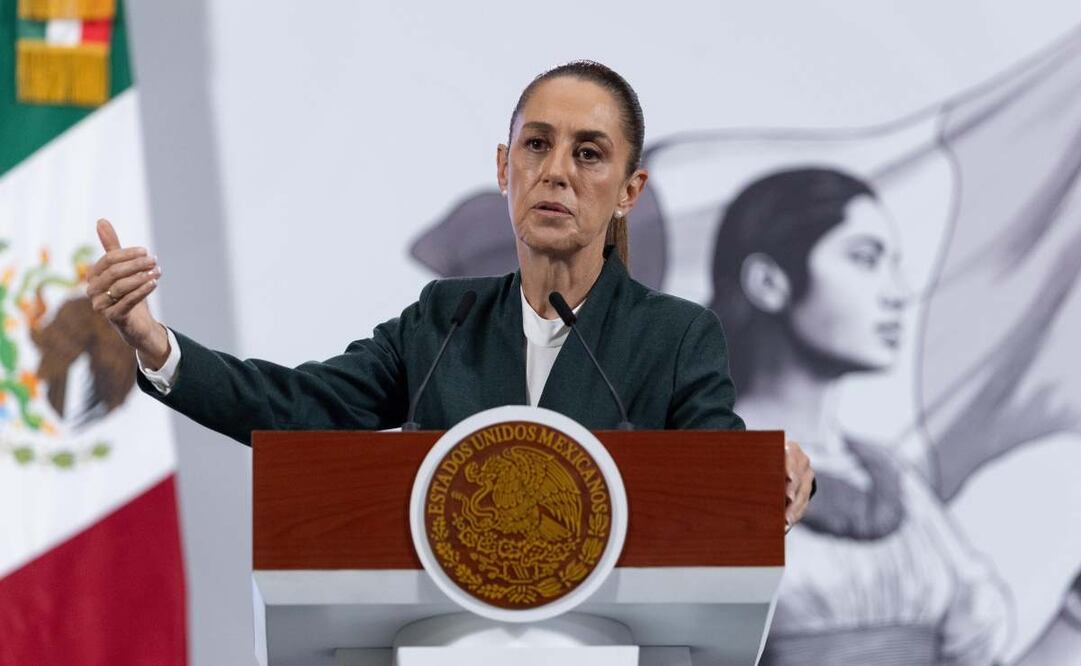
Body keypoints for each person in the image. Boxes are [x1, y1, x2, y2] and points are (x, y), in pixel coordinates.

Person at [86, 61, 815, 529]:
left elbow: (720, 475)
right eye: (536, 145)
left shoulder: (675, 336)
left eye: (588, 153)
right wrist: (156, 344)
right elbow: (298, 412)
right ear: (503, 168)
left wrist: (776, 479)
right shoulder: (444, 319)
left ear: (630, 191)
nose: (556, 172)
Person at [710, 166, 1080, 664]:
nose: (898, 292)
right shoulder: (699, 469)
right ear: (769, 281)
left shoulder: (895, 483)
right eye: (865, 259)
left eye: (895, 264)